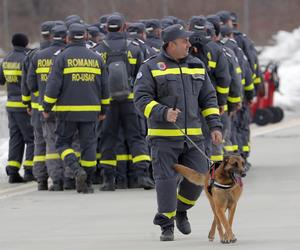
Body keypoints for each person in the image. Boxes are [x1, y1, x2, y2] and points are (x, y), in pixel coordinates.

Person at [134, 24, 222, 241]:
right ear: (171, 44)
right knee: (165, 180)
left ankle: (180, 209)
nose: (188, 45)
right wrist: (163, 113)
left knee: (199, 179)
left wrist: (215, 126)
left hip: (193, 137)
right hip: (163, 137)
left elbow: (208, 98)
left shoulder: (197, 65)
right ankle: (166, 224)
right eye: (184, 42)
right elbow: (140, 99)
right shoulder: (151, 67)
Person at [42, 23, 106, 193]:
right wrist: (103, 110)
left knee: (62, 143)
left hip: (66, 111)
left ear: (68, 38)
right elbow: (105, 88)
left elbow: (53, 86)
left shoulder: (62, 57)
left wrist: (47, 106)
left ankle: (77, 170)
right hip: (91, 110)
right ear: (85, 37)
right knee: (89, 146)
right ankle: (88, 183)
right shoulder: (97, 57)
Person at [95, 14, 154, 191]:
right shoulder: (135, 48)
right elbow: (143, 77)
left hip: (108, 102)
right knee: (136, 137)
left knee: (108, 139)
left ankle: (108, 180)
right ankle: (142, 175)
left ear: (106, 28)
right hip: (131, 101)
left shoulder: (98, 50)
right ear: (124, 27)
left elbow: (97, 80)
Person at [0, 33, 34, 183]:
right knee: (31, 138)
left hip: (11, 105)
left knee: (16, 138)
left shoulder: (6, 58)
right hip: (23, 105)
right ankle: (29, 170)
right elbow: (30, 82)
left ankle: (13, 171)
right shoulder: (26, 58)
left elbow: (1, 80)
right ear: (26, 43)